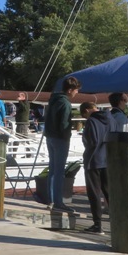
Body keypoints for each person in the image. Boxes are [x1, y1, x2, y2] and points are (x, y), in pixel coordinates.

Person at [44, 76, 81, 213]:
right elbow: (64, 123)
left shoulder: (53, 100)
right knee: (59, 171)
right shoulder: (65, 103)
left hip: (50, 136)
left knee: (52, 169)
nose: (76, 93)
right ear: (70, 90)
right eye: (76, 90)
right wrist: (67, 136)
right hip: (60, 138)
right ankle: (59, 202)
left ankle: (51, 200)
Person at [79, 102, 114, 234]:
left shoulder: (91, 121)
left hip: (93, 161)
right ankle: (117, 222)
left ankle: (97, 225)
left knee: (94, 193)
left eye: (84, 116)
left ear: (87, 110)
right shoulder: (111, 118)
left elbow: (91, 141)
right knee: (109, 192)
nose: (85, 118)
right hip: (108, 159)